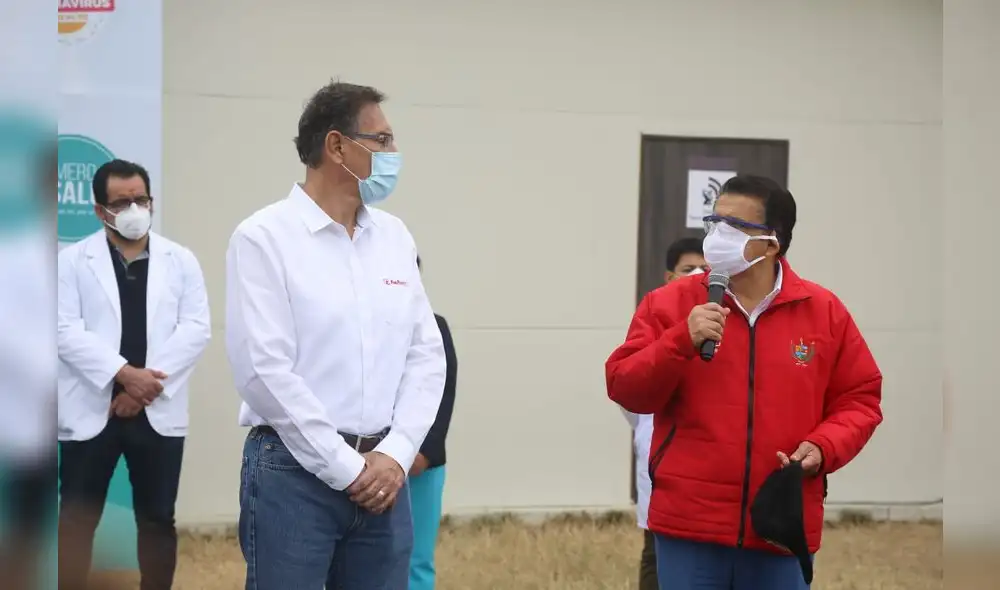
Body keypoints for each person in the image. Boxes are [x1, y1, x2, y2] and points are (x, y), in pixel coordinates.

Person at [605, 175, 883, 590]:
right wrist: (680, 341)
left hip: (778, 523)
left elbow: (860, 398)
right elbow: (625, 387)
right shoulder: (669, 304)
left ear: (772, 244)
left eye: (734, 226)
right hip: (689, 525)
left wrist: (825, 446)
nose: (718, 235)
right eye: (714, 222)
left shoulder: (824, 312)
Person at [225, 81, 447, 590]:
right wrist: (346, 467)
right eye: (382, 140)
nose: (394, 153)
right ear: (336, 146)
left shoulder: (394, 236)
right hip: (293, 473)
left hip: (385, 475)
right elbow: (263, 371)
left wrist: (395, 454)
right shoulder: (263, 238)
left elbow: (425, 354)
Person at [57, 159, 212, 590]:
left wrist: (142, 389)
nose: (133, 210)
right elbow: (63, 330)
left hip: (156, 410)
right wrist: (125, 374)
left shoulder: (181, 260)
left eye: (140, 200)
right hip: (93, 409)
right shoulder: (71, 262)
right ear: (99, 210)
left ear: (152, 202)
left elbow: (196, 329)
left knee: (158, 519)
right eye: (121, 202)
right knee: (76, 519)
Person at [620, 237, 707, 590]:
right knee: (656, 556)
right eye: (688, 268)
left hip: (710, 478)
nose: (698, 274)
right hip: (661, 462)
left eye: (705, 268)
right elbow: (629, 395)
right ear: (670, 276)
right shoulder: (655, 317)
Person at [407, 256, 458, 590]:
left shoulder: (434, 327)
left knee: (416, 560)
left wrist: (423, 452)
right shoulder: (352, 327)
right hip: (361, 464)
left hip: (419, 466)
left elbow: (443, 390)